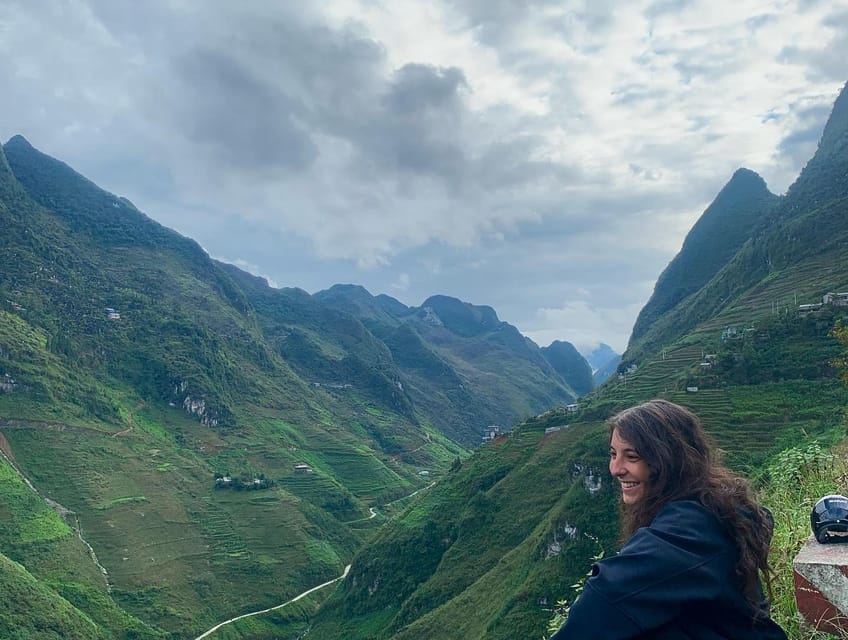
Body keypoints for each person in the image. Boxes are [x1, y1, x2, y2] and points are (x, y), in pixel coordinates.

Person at [551, 399, 788, 639]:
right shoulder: (712, 506)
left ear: (667, 460)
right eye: (613, 454)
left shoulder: (689, 530)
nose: (616, 469)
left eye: (631, 457)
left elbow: (609, 594)